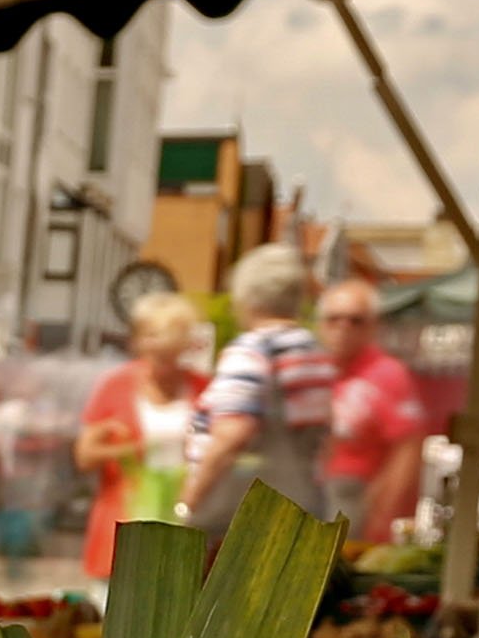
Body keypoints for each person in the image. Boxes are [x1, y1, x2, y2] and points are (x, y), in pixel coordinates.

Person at [181, 244, 340, 530]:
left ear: (246, 296)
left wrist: (187, 503)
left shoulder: (253, 350)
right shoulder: (314, 351)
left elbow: (232, 435)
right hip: (302, 507)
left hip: (243, 520)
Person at [74, 293, 207, 581]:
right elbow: (84, 456)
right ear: (137, 341)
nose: (162, 360)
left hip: (184, 525)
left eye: (170, 352)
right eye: (153, 344)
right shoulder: (115, 385)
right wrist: (132, 449)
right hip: (123, 522)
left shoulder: (202, 388)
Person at [315, 277, 434, 544]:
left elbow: (408, 447)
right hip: (314, 493)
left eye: (355, 320)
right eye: (334, 319)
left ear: (373, 326)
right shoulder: (314, 370)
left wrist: (382, 509)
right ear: (321, 324)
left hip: (356, 496)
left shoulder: (388, 374)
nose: (343, 328)